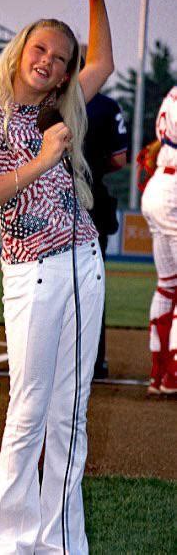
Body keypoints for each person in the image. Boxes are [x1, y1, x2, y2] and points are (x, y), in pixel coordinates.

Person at [0, 0, 113, 553]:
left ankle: (62, 542)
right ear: (20, 51)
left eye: (60, 58)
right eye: (39, 48)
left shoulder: (61, 104)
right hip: (34, 275)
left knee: (72, 414)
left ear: (66, 71)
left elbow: (105, 65)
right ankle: (9, 544)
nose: (48, 61)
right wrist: (43, 160)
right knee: (28, 412)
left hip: (85, 263)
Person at [84, 91, 127, 379]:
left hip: (52, 198)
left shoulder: (50, 99)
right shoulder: (108, 106)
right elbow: (120, 160)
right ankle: (94, 361)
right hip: (93, 197)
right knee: (92, 284)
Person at [141, 86, 177, 396]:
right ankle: (172, 374)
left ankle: (158, 372)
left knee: (167, 284)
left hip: (159, 184)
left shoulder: (172, 94)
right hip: (174, 190)